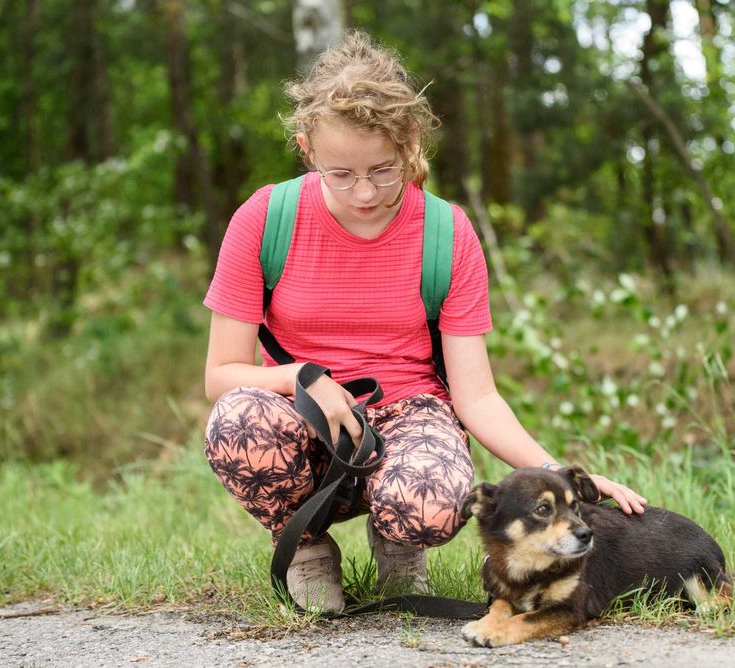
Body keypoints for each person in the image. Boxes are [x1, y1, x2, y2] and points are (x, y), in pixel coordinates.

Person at [202, 31, 647, 613]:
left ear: (411, 141)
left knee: (432, 500)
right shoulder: (266, 217)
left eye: (383, 169)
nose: (364, 192)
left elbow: (477, 396)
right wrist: (302, 377)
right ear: (307, 149)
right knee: (237, 420)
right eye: (341, 174)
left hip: (410, 412)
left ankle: (399, 542)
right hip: (304, 419)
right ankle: (306, 546)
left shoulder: (446, 231)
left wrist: (557, 477)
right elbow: (221, 375)